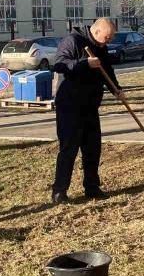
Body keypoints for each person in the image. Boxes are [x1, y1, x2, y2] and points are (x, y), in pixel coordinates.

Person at [51, 17, 124, 204]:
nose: (108, 41)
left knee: (93, 149)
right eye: (107, 37)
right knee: (69, 149)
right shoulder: (72, 42)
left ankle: (91, 187)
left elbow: (106, 69)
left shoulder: (101, 46)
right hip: (69, 106)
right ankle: (59, 192)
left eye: (110, 39)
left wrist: (116, 88)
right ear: (97, 31)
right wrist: (85, 63)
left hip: (90, 106)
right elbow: (59, 64)